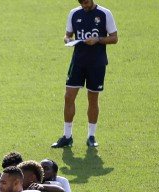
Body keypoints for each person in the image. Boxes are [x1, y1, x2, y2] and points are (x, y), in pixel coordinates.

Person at [51, 0, 118, 149]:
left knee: (92, 99)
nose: (84, 5)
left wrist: (98, 40)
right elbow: (67, 34)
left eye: (86, 2)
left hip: (97, 64)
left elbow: (114, 38)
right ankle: (67, 137)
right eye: (81, 3)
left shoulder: (105, 13)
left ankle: (91, 137)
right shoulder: (74, 13)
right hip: (78, 63)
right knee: (68, 97)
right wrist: (67, 39)